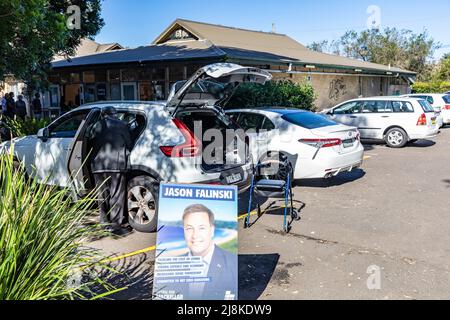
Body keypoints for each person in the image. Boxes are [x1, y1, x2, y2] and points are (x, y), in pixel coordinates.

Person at [177, 204, 237, 300]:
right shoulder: (174, 264)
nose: (195, 235)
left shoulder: (232, 262)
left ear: (212, 230)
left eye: (201, 228)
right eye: (189, 228)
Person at [88, 106, 133, 235]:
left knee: (102, 195)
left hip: (98, 165)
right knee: (116, 194)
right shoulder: (122, 125)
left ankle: (103, 222)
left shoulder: (96, 125)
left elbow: (90, 142)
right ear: (115, 114)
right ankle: (115, 225)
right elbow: (129, 143)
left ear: (103, 115)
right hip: (116, 165)